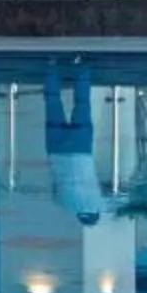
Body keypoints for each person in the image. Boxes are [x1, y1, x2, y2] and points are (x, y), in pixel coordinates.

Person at [45, 59, 105, 224]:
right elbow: (55, 187)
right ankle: (51, 66)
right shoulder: (63, 205)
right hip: (56, 150)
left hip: (81, 150)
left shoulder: (98, 202)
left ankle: (81, 65)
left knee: (82, 104)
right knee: (52, 102)